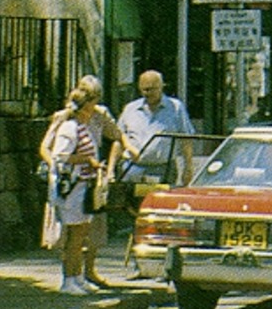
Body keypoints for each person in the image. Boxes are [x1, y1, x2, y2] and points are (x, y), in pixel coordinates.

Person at [44, 79, 127, 294]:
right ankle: (69, 280)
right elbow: (60, 157)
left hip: (84, 186)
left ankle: (78, 277)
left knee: (81, 234)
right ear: (86, 106)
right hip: (72, 188)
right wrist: (87, 161)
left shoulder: (82, 126)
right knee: (74, 236)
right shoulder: (69, 128)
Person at [117, 69, 195, 188]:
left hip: (162, 169)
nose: (149, 93)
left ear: (161, 87)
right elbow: (118, 137)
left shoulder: (175, 108)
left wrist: (188, 167)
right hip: (132, 169)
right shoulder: (130, 109)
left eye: (153, 89)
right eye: (145, 89)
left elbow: (186, 139)